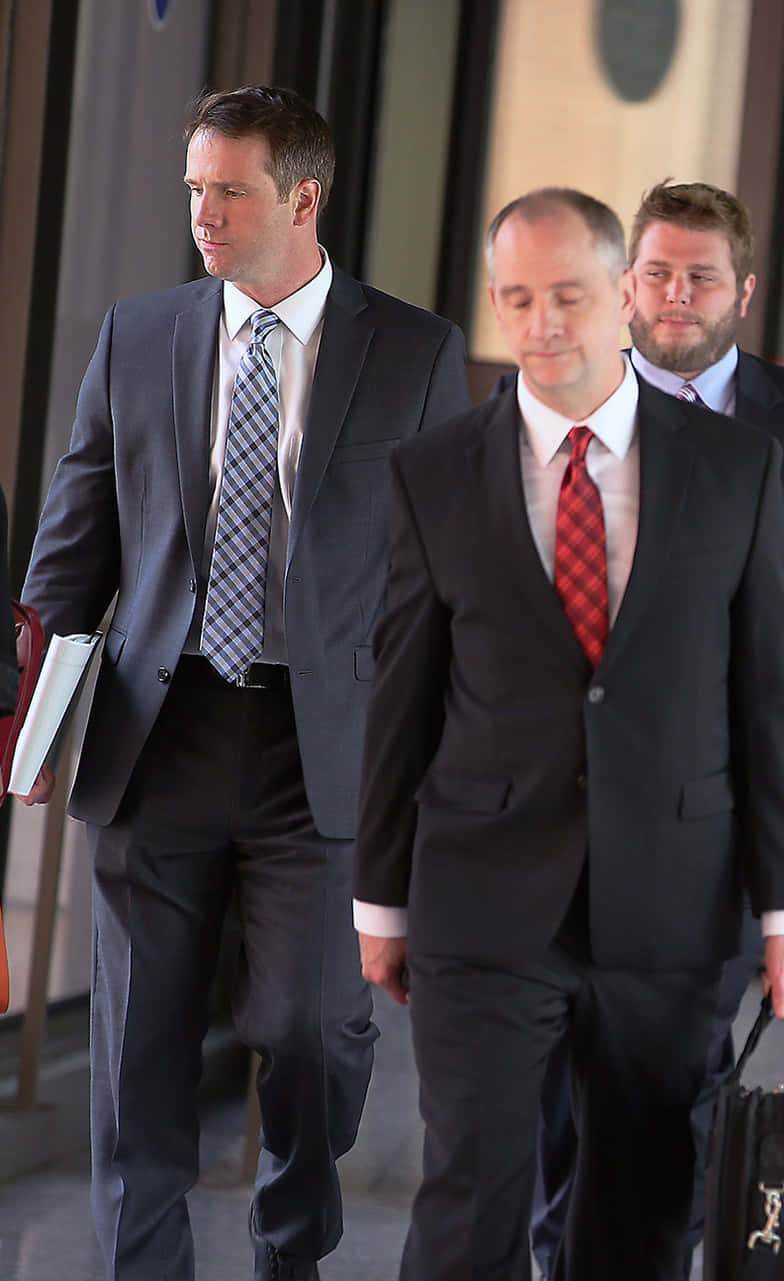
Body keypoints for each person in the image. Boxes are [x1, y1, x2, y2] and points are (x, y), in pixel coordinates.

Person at [19, 84, 469, 1281]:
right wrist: (22, 711)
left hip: (323, 748)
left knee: (315, 1034)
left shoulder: (413, 352)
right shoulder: (141, 333)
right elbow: (73, 547)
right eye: (194, 190)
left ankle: (290, 1252)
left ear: (303, 198)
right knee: (139, 1046)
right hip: (154, 734)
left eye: (230, 191)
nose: (203, 215)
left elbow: (447, 576)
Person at [352, 187, 784, 1281]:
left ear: (620, 294)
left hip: (673, 900)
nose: (544, 322)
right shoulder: (434, 473)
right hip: (481, 895)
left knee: (645, 1207)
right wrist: (381, 898)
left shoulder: (733, 469)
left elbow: (770, 698)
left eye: (567, 294)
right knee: (470, 1193)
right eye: (518, 299)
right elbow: (402, 697)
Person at [516, 179, 784, 1277]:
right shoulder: (558, 399)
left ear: (745, 291)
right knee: (560, 1076)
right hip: (561, 796)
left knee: (678, 1066)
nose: (676, 295)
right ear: (626, 284)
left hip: (730, 796)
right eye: (658, 272)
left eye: (701, 275)